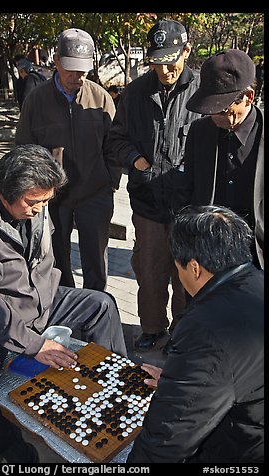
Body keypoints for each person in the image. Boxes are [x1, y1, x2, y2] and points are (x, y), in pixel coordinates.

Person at [0, 144, 127, 463]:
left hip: (38, 300)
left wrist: (44, 318)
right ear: (7, 191)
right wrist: (35, 344)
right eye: (33, 202)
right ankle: (8, 454)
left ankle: (115, 394)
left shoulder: (36, 202)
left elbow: (46, 264)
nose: (40, 209)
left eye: (46, 201)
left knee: (100, 304)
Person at [127, 204, 264, 463]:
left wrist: (185, 386)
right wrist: (182, 376)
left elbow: (169, 438)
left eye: (177, 269)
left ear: (194, 268)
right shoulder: (257, 280)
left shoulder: (206, 326)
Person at [108, 19, 202, 352]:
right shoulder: (134, 92)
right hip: (147, 203)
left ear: (187, 51)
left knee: (188, 276)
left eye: (171, 60)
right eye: (157, 61)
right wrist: (137, 161)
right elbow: (115, 139)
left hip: (189, 207)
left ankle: (183, 331)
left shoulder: (203, 92)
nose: (164, 68)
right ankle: (151, 327)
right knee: (149, 270)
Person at [16, 28, 121, 292]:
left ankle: (96, 309)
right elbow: (24, 149)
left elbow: (115, 145)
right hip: (52, 197)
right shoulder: (36, 101)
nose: (78, 76)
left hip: (95, 192)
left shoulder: (101, 99)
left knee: (96, 262)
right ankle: (65, 308)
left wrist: (111, 182)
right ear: (56, 61)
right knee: (56, 260)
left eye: (84, 70)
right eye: (72, 69)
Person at [183, 49, 264, 270]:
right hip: (208, 250)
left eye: (221, 109)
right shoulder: (199, 132)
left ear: (248, 97)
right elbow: (187, 188)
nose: (213, 116)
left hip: (257, 254)